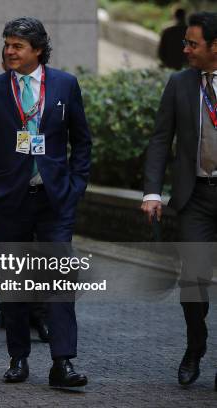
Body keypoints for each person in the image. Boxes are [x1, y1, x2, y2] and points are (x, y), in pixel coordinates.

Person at [0, 17, 92, 389]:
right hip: (11, 201)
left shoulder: (64, 85)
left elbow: (82, 142)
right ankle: (18, 358)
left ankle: (63, 362)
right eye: (7, 44)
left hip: (55, 199)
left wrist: (74, 187)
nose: (9, 51)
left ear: (37, 50)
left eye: (17, 45)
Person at [142, 11, 217, 391]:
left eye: (192, 43)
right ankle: (195, 344)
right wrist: (153, 191)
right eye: (185, 42)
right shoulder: (179, 84)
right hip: (197, 198)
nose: (185, 49)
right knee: (193, 282)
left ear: (215, 46)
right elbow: (160, 140)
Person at [0, 46, 49, 342]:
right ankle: (12, 312)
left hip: (44, 190)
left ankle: (41, 313)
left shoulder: (47, 90)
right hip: (9, 193)